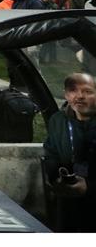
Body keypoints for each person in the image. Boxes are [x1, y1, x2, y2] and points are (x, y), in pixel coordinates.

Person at [43, 73, 96, 232]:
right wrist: (57, 177)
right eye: (73, 91)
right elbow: (51, 154)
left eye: (87, 91)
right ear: (66, 95)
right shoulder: (58, 121)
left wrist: (89, 187)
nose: (79, 96)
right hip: (68, 198)